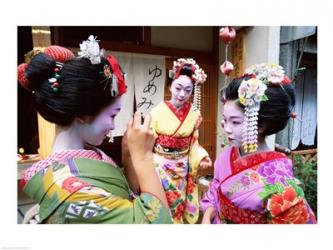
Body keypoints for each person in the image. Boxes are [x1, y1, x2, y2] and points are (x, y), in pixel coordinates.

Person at [18, 35, 172, 224]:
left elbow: (121, 194)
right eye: (112, 115)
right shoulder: (71, 193)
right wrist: (144, 157)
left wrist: (129, 157)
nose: (114, 126)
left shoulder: (87, 152)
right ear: (82, 113)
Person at [200, 63, 316, 224]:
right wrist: (207, 215)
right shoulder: (229, 154)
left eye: (235, 122)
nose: (226, 128)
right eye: (225, 120)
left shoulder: (280, 181)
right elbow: (215, 191)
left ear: (260, 126)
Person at [147, 58, 212, 224]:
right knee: (161, 201)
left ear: (192, 92)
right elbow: (148, 144)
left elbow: (194, 142)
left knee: (179, 201)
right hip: (161, 166)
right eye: (178, 88)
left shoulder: (194, 114)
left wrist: (202, 156)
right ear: (170, 86)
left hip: (183, 167)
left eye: (187, 90)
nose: (182, 94)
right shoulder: (157, 112)